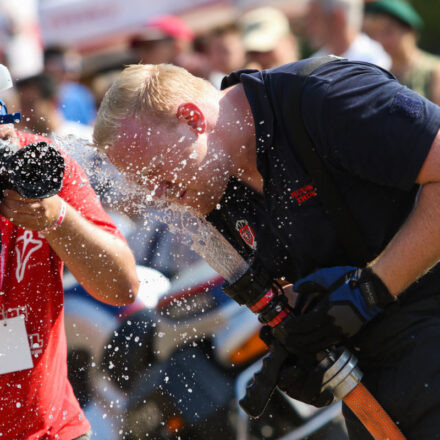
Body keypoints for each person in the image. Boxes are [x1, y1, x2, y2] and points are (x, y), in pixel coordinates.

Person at [92, 58, 440, 439]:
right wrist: (301, 339)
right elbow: (320, 276)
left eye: (158, 171)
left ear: (192, 119)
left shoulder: (323, 96)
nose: (158, 195)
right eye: (146, 183)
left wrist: (370, 289)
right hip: (383, 382)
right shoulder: (214, 184)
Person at [0, 64, 139, 439]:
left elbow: (121, 286)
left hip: (53, 428)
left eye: (5, 132)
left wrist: (58, 217)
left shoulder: (37, 164)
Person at [365, 0, 440, 105]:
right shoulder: (381, 72)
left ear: (409, 30)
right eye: (375, 33)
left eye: (388, 32)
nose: (381, 40)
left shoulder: (434, 70)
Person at [307, 0, 391, 69]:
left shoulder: (374, 60)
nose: (308, 26)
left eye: (314, 17)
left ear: (337, 18)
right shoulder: (315, 61)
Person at [43, 46, 97, 126]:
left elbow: (91, 123)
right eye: (61, 65)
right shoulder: (34, 94)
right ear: (47, 65)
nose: (68, 70)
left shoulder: (81, 93)